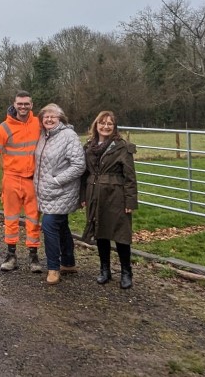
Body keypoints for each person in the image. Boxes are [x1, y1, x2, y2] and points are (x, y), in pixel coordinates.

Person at [80, 110, 138, 289]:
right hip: (94, 194)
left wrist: (130, 201)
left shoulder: (121, 147)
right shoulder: (89, 146)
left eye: (109, 124)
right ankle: (105, 270)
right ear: (96, 125)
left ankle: (126, 272)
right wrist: (83, 196)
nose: (105, 126)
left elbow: (130, 176)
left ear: (114, 127)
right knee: (100, 232)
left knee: (121, 235)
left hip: (116, 195)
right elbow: (84, 174)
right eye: (102, 123)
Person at [0, 91, 42, 273]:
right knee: (10, 218)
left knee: (33, 219)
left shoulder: (38, 124)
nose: (23, 107)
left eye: (26, 104)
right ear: (15, 104)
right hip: (11, 178)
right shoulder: (4, 128)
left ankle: (34, 257)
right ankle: (11, 256)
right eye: (20, 104)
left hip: (32, 179)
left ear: (32, 105)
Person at [34, 103, 86, 285]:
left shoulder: (68, 136)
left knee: (49, 225)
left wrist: (57, 180)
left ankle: (53, 268)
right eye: (45, 117)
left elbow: (79, 165)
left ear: (61, 119)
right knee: (61, 225)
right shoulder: (43, 135)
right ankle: (69, 262)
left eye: (53, 117)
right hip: (46, 192)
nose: (48, 119)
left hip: (62, 191)